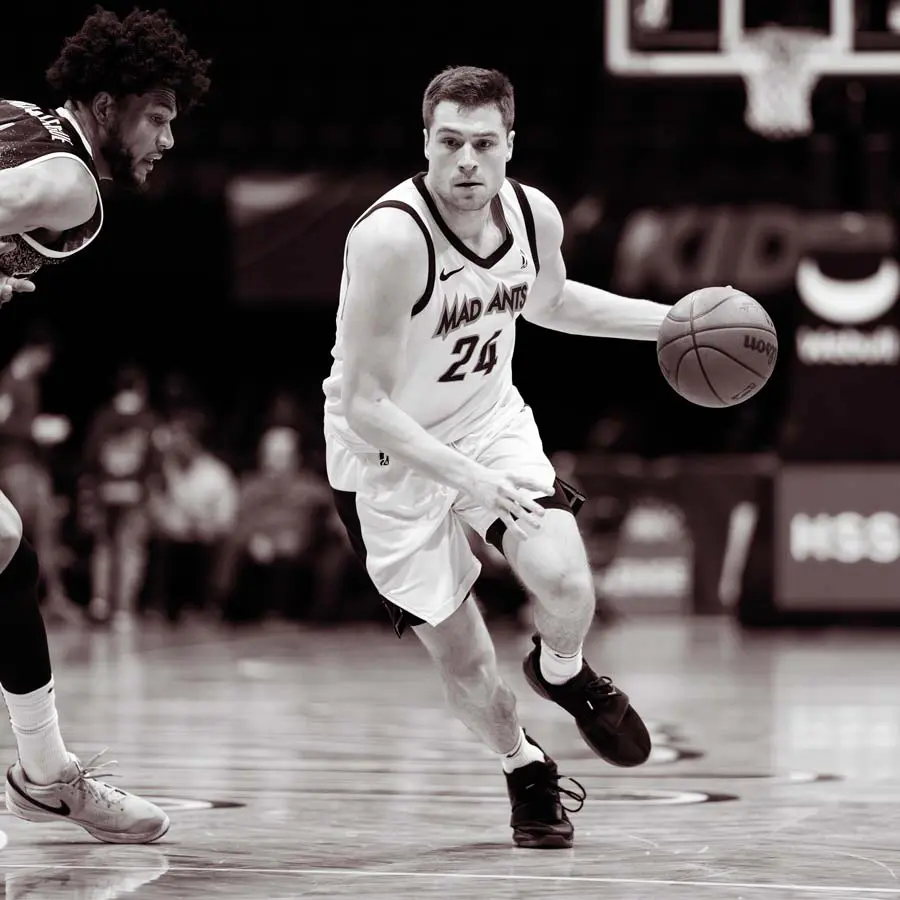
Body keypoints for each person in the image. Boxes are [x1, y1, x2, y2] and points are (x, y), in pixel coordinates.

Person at [323, 65, 674, 849]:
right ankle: (524, 766)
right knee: (471, 671)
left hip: (487, 425)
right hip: (386, 461)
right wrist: (464, 479)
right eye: (450, 143)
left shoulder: (530, 213)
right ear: (426, 144)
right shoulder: (389, 240)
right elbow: (366, 405)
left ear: (510, 145)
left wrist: (670, 323)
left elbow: (550, 301)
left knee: (565, 578)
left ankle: (562, 667)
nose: (468, 162)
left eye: (484, 143)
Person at [0, 7, 210, 842]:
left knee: (7, 549)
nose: (165, 139)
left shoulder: (16, 116)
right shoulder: (73, 183)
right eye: (156, 116)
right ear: (108, 102)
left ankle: (47, 773)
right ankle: (47, 774)